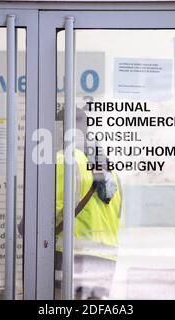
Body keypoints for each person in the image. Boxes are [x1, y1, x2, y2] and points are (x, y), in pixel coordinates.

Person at [54, 108, 122, 300]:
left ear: (61, 130)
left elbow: (52, 211)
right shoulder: (111, 170)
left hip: (72, 256)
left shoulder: (65, 161)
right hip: (106, 260)